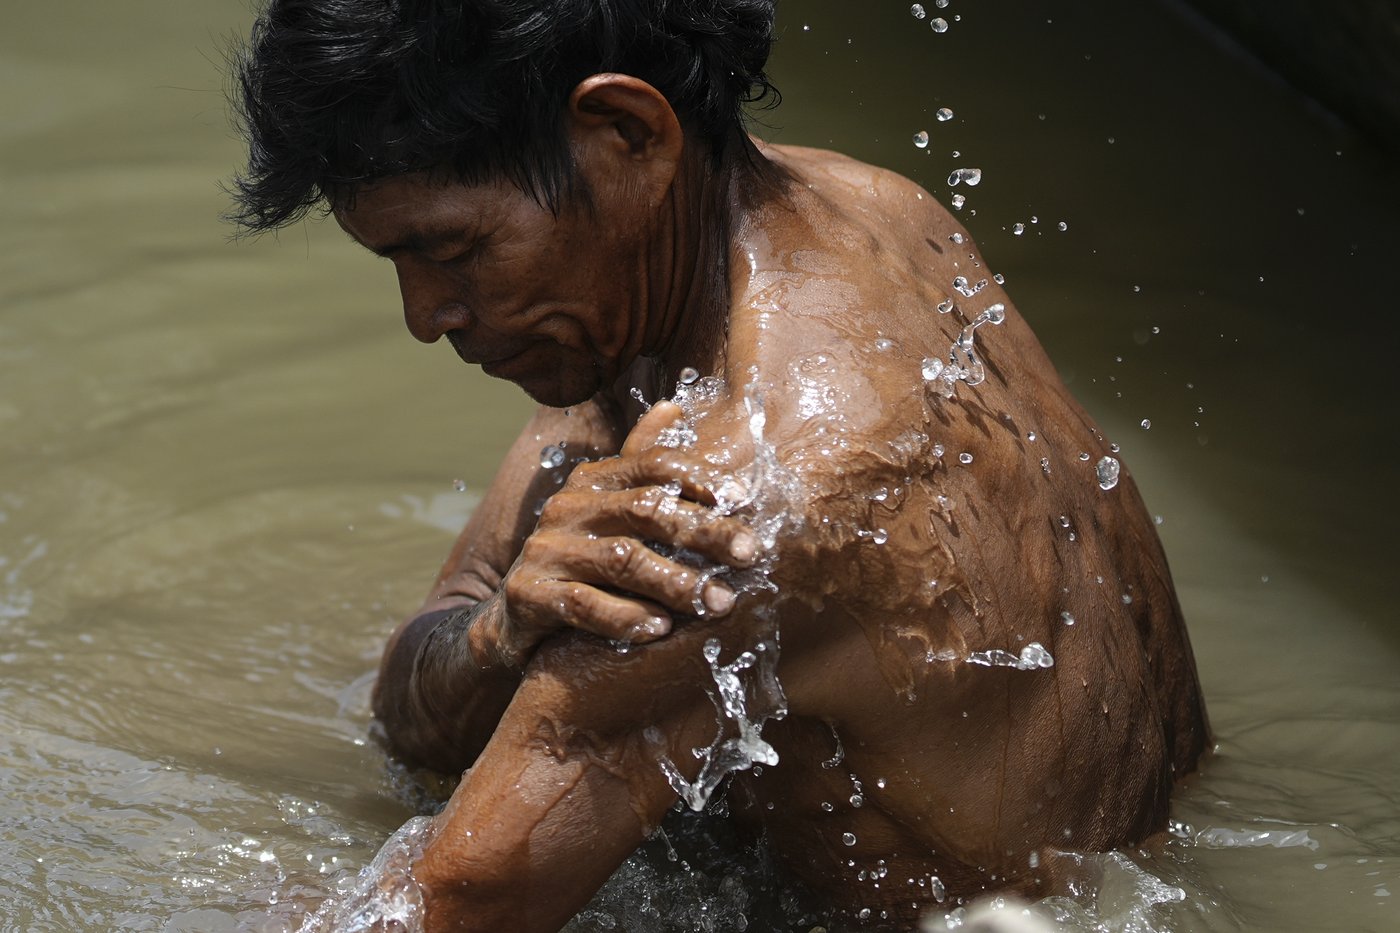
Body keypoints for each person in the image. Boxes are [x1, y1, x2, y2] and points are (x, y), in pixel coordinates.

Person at [229, 1, 1208, 930]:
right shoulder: (857, 208)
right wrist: (499, 630)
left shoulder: (727, 502)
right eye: (395, 263)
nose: (424, 316)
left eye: (453, 248)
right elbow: (431, 694)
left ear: (627, 134)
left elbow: (452, 908)